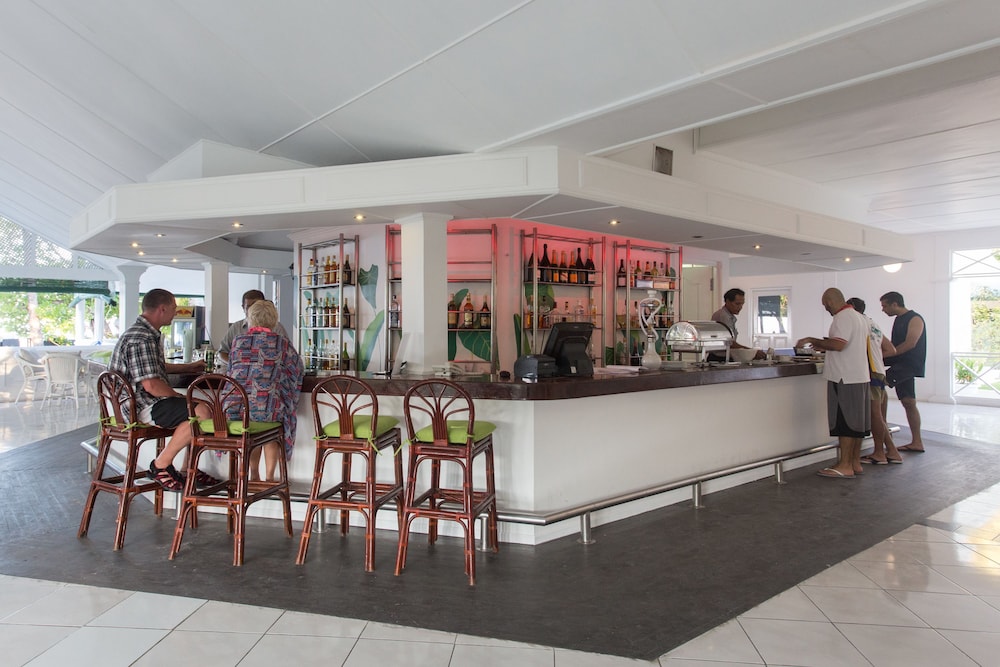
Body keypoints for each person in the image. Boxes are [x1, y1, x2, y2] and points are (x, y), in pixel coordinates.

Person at [109, 289, 217, 491]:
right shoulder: (142, 338)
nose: (175, 312)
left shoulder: (144, 333)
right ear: (162, 309)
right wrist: (177, 395)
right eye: (174, 308)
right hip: (140, 406)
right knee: (201, 411)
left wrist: (189, 367)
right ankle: (161, 465)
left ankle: (188, 469)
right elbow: (151, 385)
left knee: (197, 409)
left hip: (139, 402)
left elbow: (154, 368)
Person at [796, 288, 871, 479]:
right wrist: (823, 344)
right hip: (859, 375)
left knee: (844, 422)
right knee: (856, 423)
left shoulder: (842, 317)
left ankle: (845, 465)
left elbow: (839, 344)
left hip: (843, 377)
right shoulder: (859, 317)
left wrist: (812, 340)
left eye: (825, 305)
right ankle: (854, 462)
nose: (826, 309)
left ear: (830, 301)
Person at [225, 300, 304, 481]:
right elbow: (297, 369)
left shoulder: (238, 341)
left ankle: (254, 474)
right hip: (268, 408)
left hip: (237, 409)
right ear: (274, 320)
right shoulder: (281, 343)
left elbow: (230, 371)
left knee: (253, 428)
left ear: (250, 318)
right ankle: (269, 478)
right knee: (272, 425)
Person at [847, 298, 902, 465]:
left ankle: (880, 452)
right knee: (879, 416)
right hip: (879, 371)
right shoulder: (873, 323)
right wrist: (876, 357)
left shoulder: (859, 324)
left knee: (874, 415)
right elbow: (890, 349)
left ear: (852, 308)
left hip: (870, 372)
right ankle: (891, 451)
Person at [880, 291, 927, 453]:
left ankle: (884, 436)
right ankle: (917, 442)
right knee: (908, 402)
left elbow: (910, 343)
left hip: (908, 364)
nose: (883, 310)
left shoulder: (915, 318)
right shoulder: (899, 319)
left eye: (885, 306)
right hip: (900, 363)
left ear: (895, 304)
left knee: (878, 384)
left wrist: (887, 354)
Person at [217, 289, 291, 362]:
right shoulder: (236, 328)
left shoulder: (278, 328)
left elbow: (288, 354)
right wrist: (233, 364)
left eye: (256, 307)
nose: (253, 311)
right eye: (249, 307)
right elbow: (222, 352)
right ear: (243, 307)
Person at [711, 288, 764, 359]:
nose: (740, 307)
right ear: (727, 301)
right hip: (719, 358)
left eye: (742, 304)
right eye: (737, 304)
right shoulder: (723, 316)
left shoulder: (729, 316)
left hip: (725, 356)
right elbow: (730, 342)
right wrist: (752, 351)